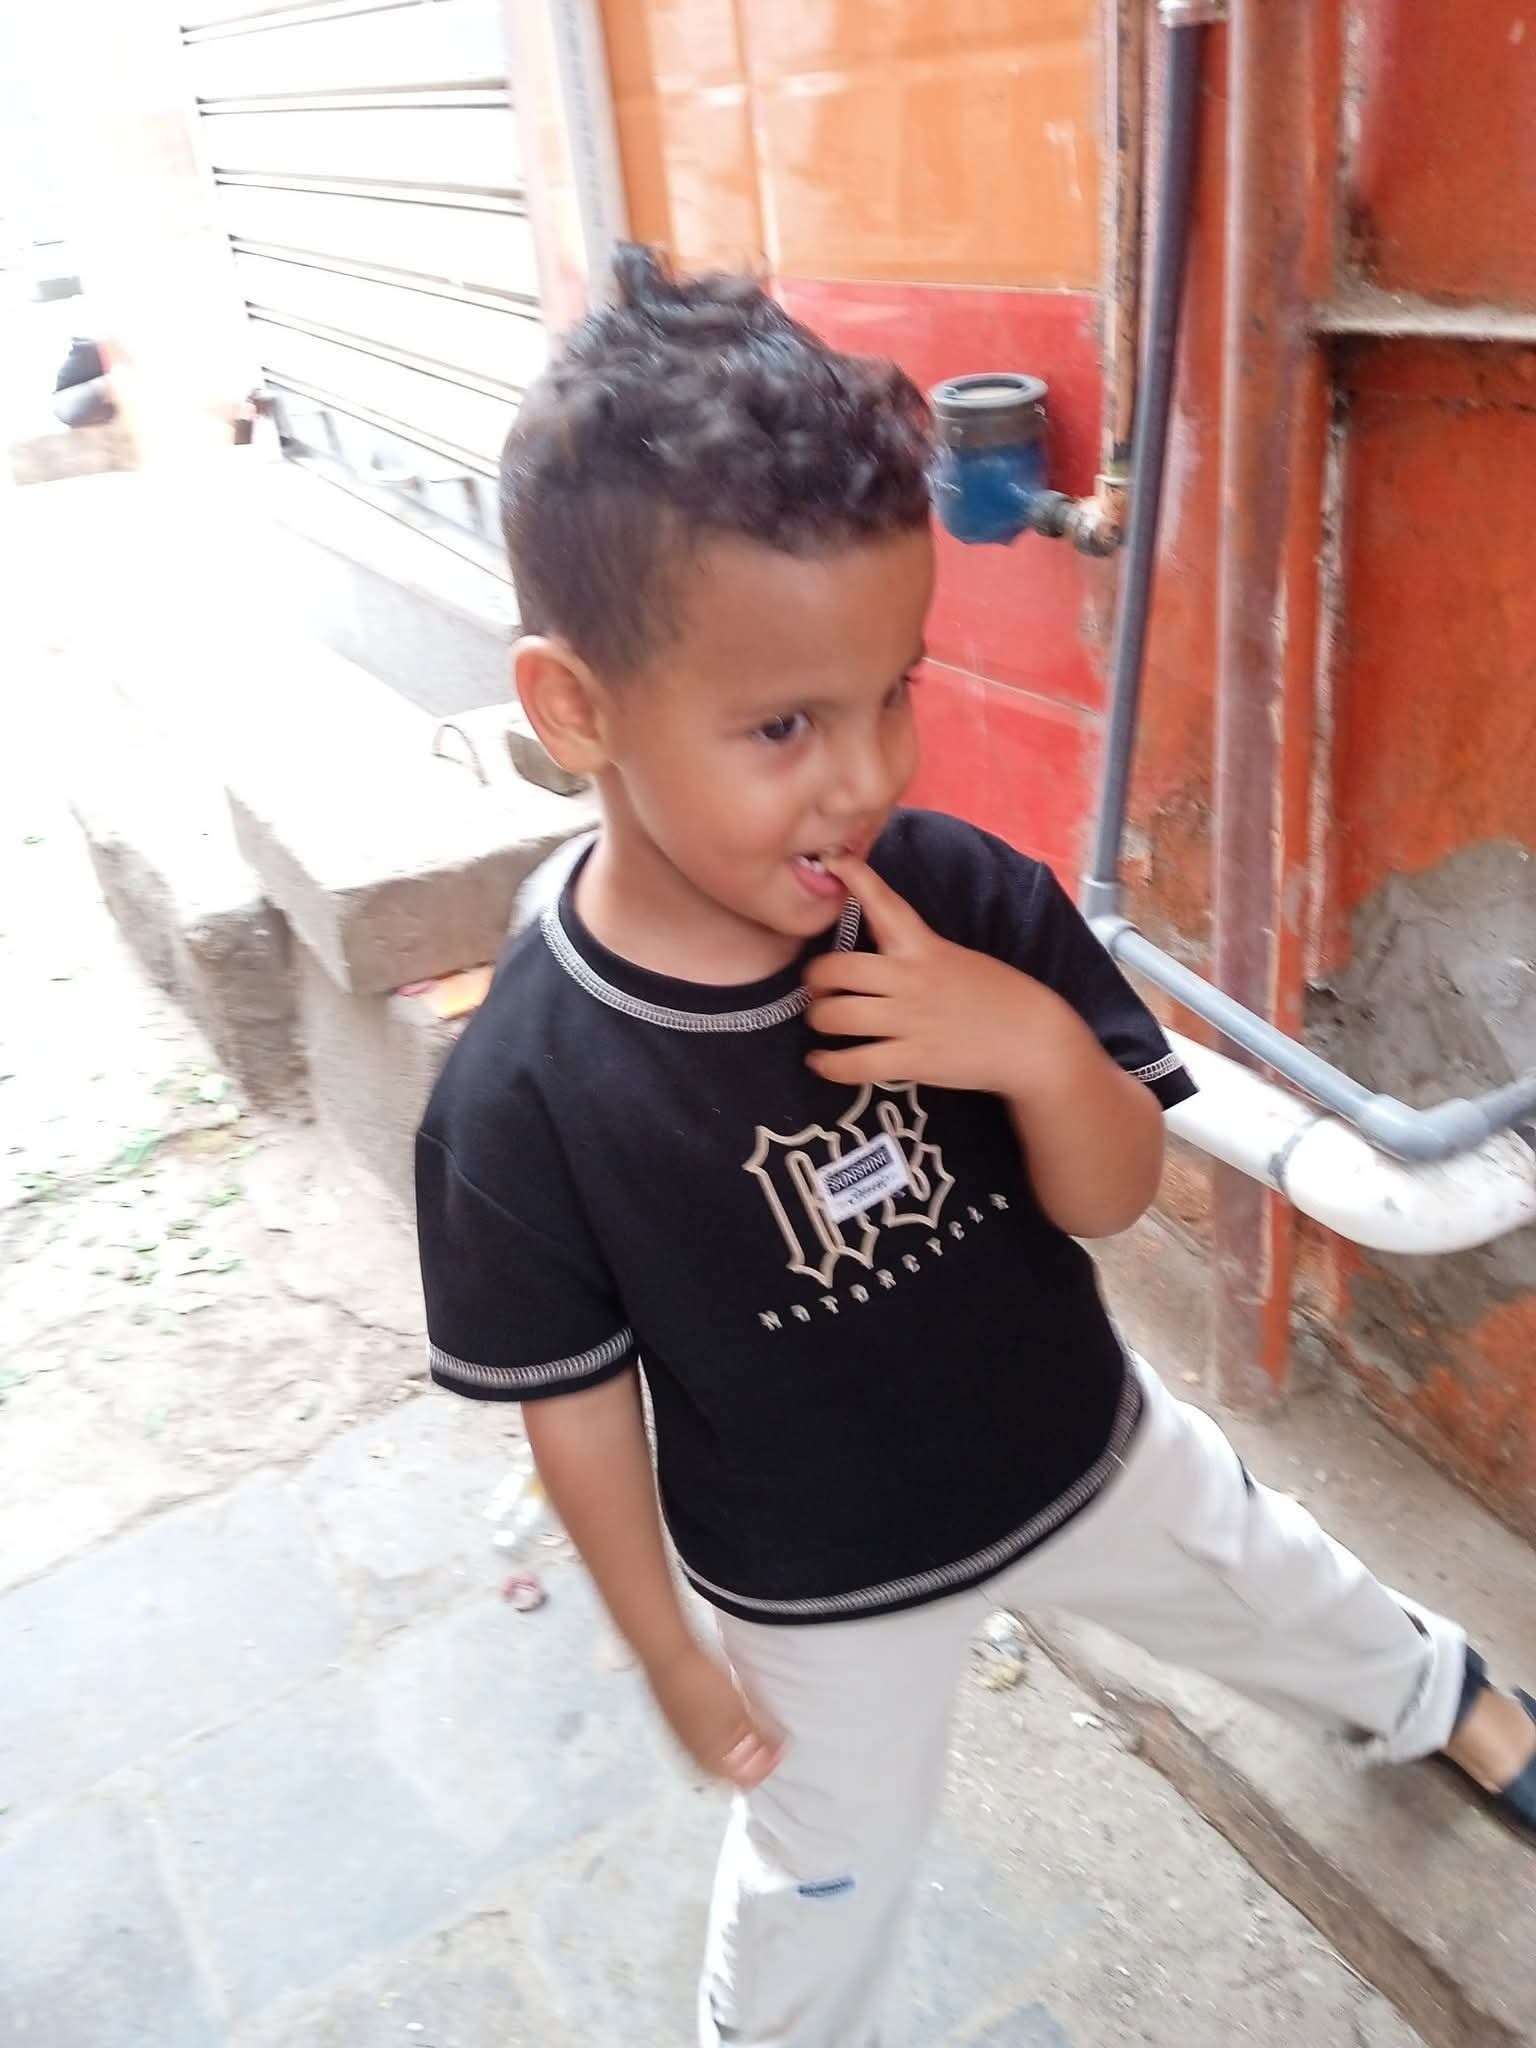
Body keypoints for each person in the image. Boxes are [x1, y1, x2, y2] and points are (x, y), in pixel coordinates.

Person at [414, 247, 1535, 2047]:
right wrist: (670, 1652)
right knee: (819, 1890)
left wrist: (1027, 1045)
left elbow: (1109, 1195)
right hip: (817, 1598)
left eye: (894, 690)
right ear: (577, 708)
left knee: (1285, 1585)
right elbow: (578, 1408)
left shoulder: (959, 899)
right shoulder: (525, 1091)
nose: (866, 775)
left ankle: (1441, 1700)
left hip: (1090, 1455)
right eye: (784, 724)